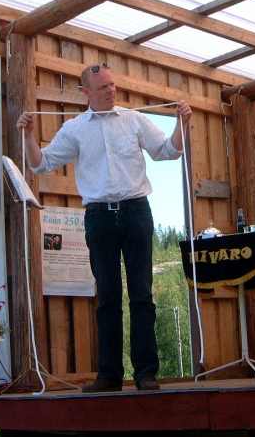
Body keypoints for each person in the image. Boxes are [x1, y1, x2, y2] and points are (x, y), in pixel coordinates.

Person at [17, 63, 192, 392]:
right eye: (103, 87)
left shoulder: (134, 119)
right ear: (86, 92)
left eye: (112, 85)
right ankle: (109, 376)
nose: (111, 90)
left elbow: (168, 152)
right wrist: (28, 136)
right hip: (98, 216)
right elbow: (41, 164)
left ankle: (146, 373)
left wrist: (182, 124)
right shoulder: (74, 129)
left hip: (136, 210)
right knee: (108, 297)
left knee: (142, 294)